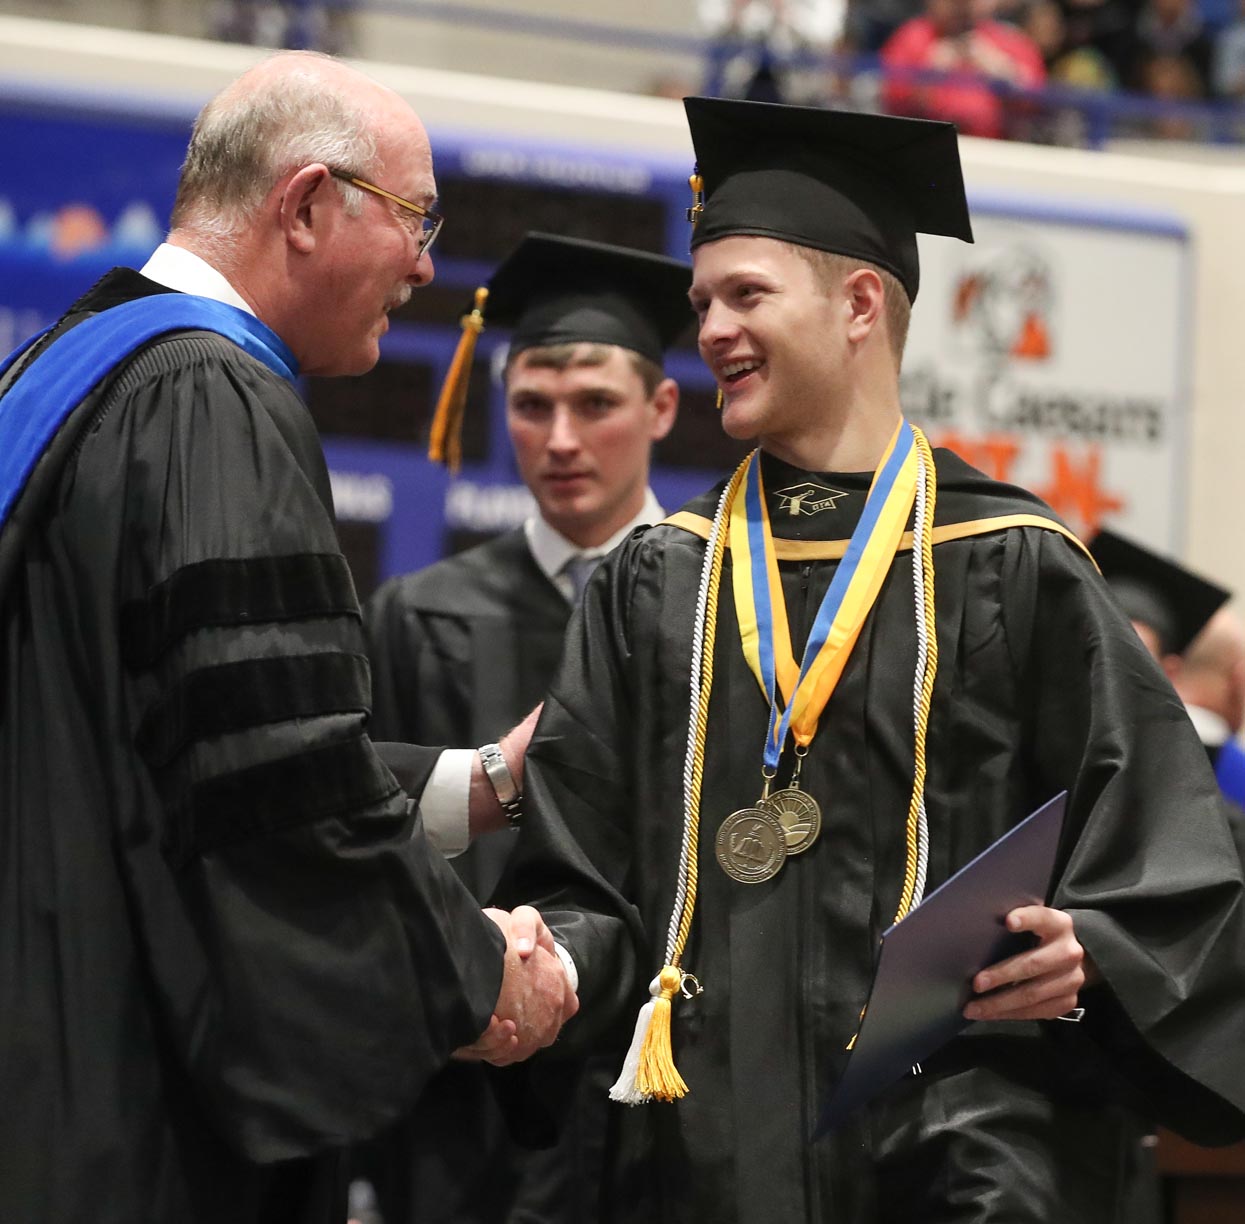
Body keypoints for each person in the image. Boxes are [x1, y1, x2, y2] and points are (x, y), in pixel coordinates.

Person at [499, 97, 1245, 1223]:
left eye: (745, 294)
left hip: (965, 1163)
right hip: (697, 1164)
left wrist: (1093, 949)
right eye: (703, 301)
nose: (707, 328)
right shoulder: (656, 580)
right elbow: (582, 874)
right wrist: (545, 958)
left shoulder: (1013, 565)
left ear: (858, 305)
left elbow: (1171, 867)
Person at [0, 51, 576, 1224]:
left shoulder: (64, 365)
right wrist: (471, 975)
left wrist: (484, 783)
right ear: (307, 205)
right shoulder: (208, 398)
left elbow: (184, 734)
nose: (425, 264)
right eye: (415, 219)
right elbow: (272, 789)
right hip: (118, 1091)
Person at [360, 232, 687, 1223]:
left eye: (596, 406)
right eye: (531, 406)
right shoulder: (423, 613)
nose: (559, 440)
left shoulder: (723, 608)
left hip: (662, 1079)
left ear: (661, 407)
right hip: (462, 1096)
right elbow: (377, 843)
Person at [1090, 528, 1245, 807]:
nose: (1113, 673)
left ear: (1168, 672)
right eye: (1097, 654)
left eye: (1137, 658)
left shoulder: (1201, 793)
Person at [880, 0, 1047, 139]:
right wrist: (929, 73)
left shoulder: (1010, 41)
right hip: (924, 143)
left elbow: (1039, 99)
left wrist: (1002, 72)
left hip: (994, 152)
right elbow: (891, 97)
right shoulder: (913, 36)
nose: (962, 7)